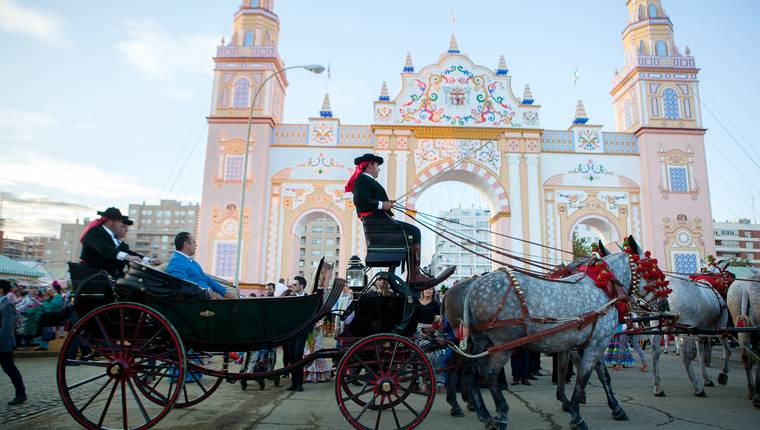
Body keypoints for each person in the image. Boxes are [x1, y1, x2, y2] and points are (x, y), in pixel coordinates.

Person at [346, 153, 455, 289]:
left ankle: (414, 274)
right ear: (370, 165)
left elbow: (368, 199)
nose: (379, 169)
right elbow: (360, 200)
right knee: (414, 231)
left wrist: (385, 203)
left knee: (412, 232)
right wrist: (382, 205)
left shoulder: (366, 180)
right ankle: (414, 275)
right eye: (377, 166)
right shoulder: (363, 179)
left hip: (379, 223)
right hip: (379, 224)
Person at [80, 207, 145, 278]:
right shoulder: (94, 232)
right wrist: (127, 256)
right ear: (111, 222)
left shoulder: (111, 237)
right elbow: (104, 248)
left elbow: (126, 252)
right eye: (119, 221)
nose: (121, 224)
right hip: (92, 276)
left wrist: (148, 260)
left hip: (105, 277)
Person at [166, 232, 234, 299]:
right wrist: (207, 292)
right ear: (186, 244)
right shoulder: (176, 261)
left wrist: (225, 292)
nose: (196, 245)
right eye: (194, 242)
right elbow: (183, 285)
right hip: (199, 302)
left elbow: (207, 279)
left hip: (208, 298)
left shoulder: (190, 261)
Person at [1, 280, 27, 405]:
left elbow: (6, 327)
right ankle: (21, 393)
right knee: (8, 367)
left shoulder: (7, 304)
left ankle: (21, 393)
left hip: (4, 342)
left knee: (9, 368)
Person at [284, 276, 309, 392]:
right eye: (292, 285)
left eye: (295, 285)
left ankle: (299, 383)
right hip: (291, 333)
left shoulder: (308, 298)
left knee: (298, 356)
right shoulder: (290, 297)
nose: (292, 287)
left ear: (301, 286)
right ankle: (293, 383)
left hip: (302, 332)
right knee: (291, 357)